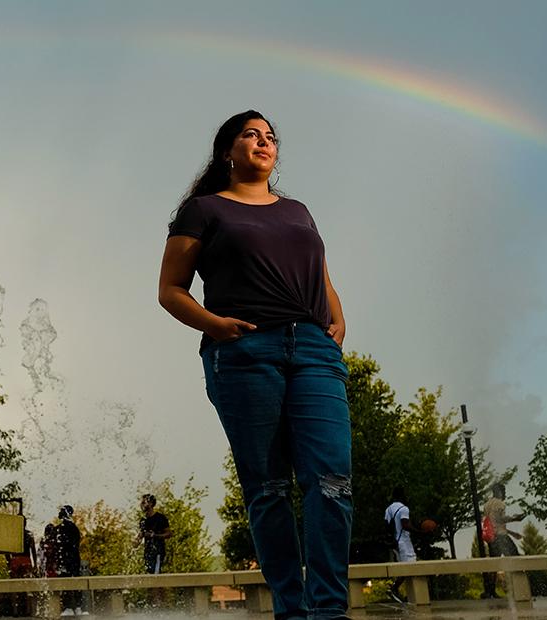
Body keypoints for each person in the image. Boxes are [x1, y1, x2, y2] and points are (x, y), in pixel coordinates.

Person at [159, 110, 352, 620]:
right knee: (268, 490)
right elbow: (170, 290)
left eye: (270, 137)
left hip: (314, 351)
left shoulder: (298, 211)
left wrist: (337, 318)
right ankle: (292, 610)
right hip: (245, 354)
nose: (263, 142)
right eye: (251, 134)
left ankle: (329, 611)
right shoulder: (202, 210)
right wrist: (214, 325)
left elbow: (321, 275)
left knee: (332, 480)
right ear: (228, 151)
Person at [138, 494, 174, 608]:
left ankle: (159, 604)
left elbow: (169, 533)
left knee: (156, 577)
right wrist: (135, 542)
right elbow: (140, 535)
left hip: (158, 552)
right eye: (141, 502)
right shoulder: (143, 521)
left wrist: (155, 535)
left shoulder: (160, 518)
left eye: (144, 502)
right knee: (149, 577)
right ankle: (153, 603)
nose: (142, 504)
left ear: (151, 504)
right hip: (147, 552)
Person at [383, 488, 417, 603]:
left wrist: (391, 541)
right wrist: (419, 531)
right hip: (404, 542)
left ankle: (409, 596)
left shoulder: (388, 509)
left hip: (395, 543)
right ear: (402, 496)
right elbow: (405, 524)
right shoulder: (404, 509)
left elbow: (387, 527)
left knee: (405, 567)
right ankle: (393, 588)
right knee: (411, 567)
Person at [484, 483, 524, 557]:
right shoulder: (500, 503)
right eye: (504, 491)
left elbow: (495, 524)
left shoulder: (487, 505)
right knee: (515, 558)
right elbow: (500, 519)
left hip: (492, 538)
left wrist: (512, 533)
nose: (505, 494)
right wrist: (514, 518)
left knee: (495, 562)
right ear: (499, 492)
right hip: (501, 537)